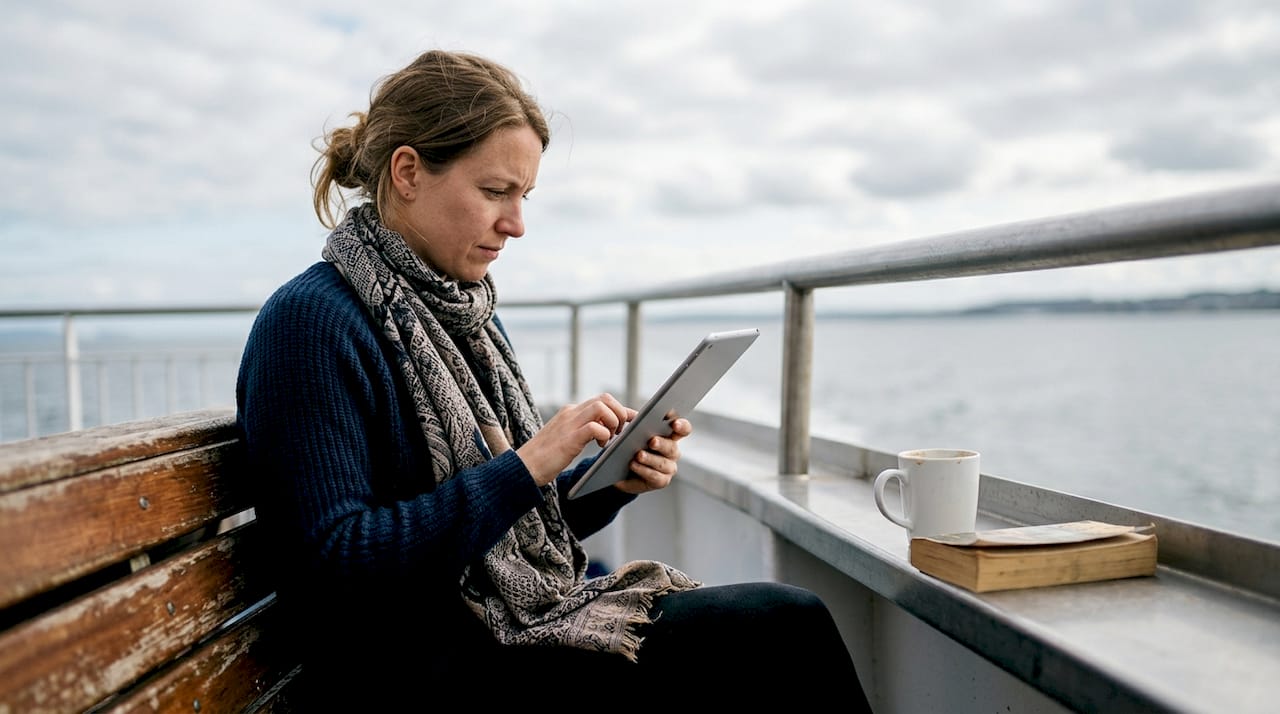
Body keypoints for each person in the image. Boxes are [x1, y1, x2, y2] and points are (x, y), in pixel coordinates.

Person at [235, 48, 873, 710]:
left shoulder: (463, 311)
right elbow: (337, 564)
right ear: (408, 172)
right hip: (414, 669)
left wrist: (610, 484)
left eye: (523, 196)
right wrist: (531, 463)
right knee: (782, 625)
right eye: (493, 192)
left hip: (488, 636)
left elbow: (501, 537)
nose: (515, 224)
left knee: (772, 633)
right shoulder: (310, 324)